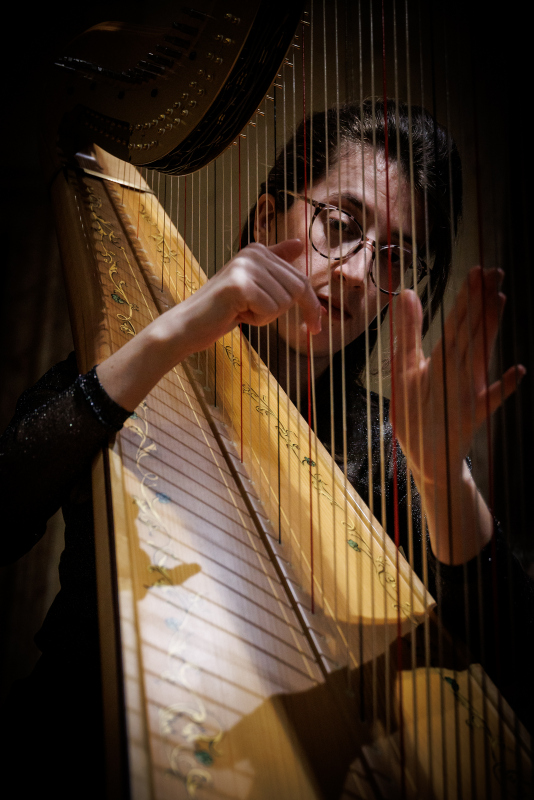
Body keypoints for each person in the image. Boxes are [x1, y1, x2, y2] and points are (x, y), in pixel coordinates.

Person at [1, 100, 532, 796]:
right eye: (340, 225)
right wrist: (169, 334)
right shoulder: (132, 358)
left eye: (394, 258)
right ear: (265, 219)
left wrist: (443, 479)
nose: (355, 272)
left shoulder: (389, 447)